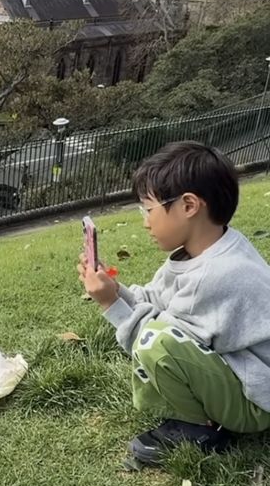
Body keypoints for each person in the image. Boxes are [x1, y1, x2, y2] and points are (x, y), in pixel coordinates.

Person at [78, 140, 270, 466]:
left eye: (148, 209)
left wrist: (110, 303)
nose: (145, 222)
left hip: (258, 403)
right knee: (159, 339)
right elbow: (155, 298)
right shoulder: (209, 247)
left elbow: (154, 335)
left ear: (189, 205)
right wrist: (115, 289)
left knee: (157, 344)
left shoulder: (215, 275)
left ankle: (199, 429)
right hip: (248, 377)